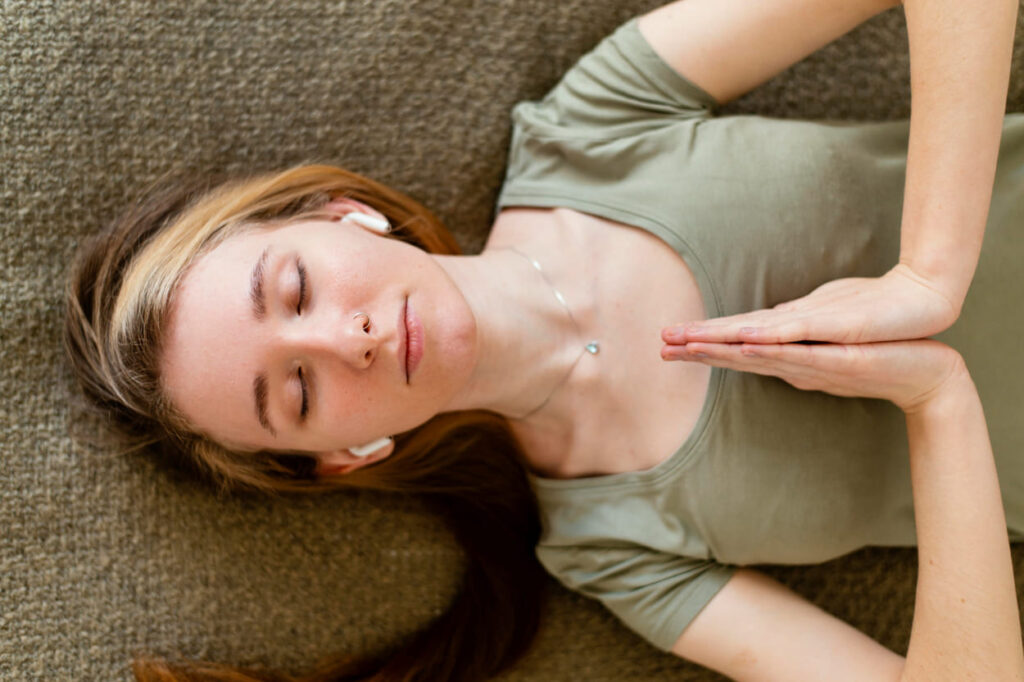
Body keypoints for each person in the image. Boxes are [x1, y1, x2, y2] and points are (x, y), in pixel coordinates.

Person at [62, 0, 1024, 680]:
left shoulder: (589, 126)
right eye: (298, 392)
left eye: (297, 287)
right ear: (346, 457)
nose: (343, 337)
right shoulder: (614, 547)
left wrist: (928, 277)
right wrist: (935, 399)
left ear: (343, 214)